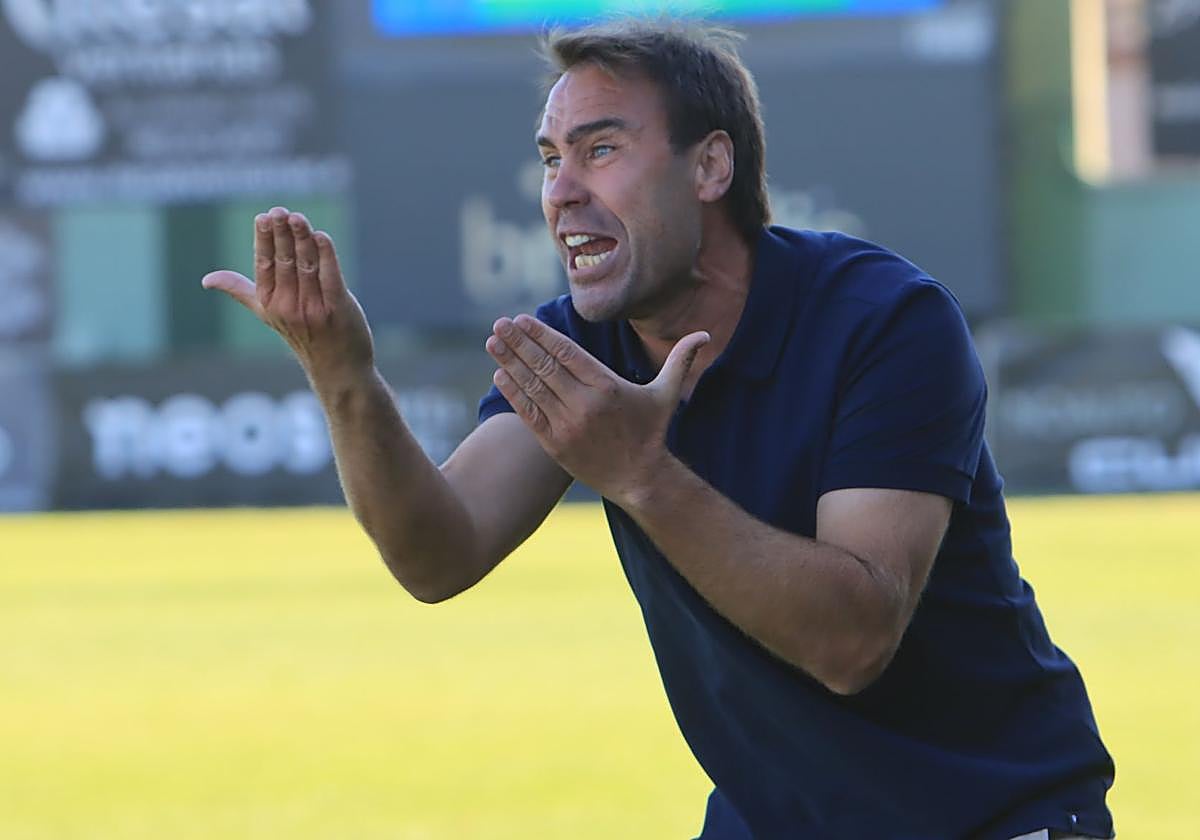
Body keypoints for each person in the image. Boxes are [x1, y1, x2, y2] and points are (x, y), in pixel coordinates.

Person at [202, 18, 1115, 840]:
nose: (560, 190)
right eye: (552, 157)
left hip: (995, 814)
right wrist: (344, 376)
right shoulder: (578, 337)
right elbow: (438, 556)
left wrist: (642, 474)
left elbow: (854, 641)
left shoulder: (885, 319)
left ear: (711, 167)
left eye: (600, 150)